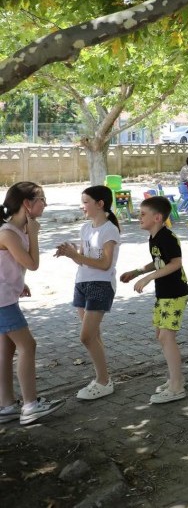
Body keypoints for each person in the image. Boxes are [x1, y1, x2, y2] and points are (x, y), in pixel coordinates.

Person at [0, 182, 65, 425]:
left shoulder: (16, 230)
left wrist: (18, 282)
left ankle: (6, 405)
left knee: (6, 350)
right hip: (3, 301)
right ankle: (30, 406)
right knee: (28, 345)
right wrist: (34, 234)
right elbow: (32, 264)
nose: (45, 204)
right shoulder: (8, 232)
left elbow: (10, 263)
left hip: (6, 296)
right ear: (27, 204)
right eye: (42, 199)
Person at [119, 196, 188, 404]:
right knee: (161, 336)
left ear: (157, 218)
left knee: (166, 337)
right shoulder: (154, 237)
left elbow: (175, 263)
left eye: (143, 214)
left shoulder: (167, 237)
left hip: (175, 292)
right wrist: (137, 271)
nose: (138, 217)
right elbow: (158, 261)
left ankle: (177, 387)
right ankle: (176, 378)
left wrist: (148, 278)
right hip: (164, 293)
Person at [55, 185, 121, 401]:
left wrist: (76, 255)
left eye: (85, 202)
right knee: (94, 336)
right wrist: (71, 252)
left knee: (86, 337)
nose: (82, 206)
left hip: (101, 285)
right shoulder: (85, 228)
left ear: (100, 204)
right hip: (81, 284)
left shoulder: (110, 230)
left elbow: (104, 264)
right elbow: (83, 259)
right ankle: (102, 379)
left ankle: (103, 381)